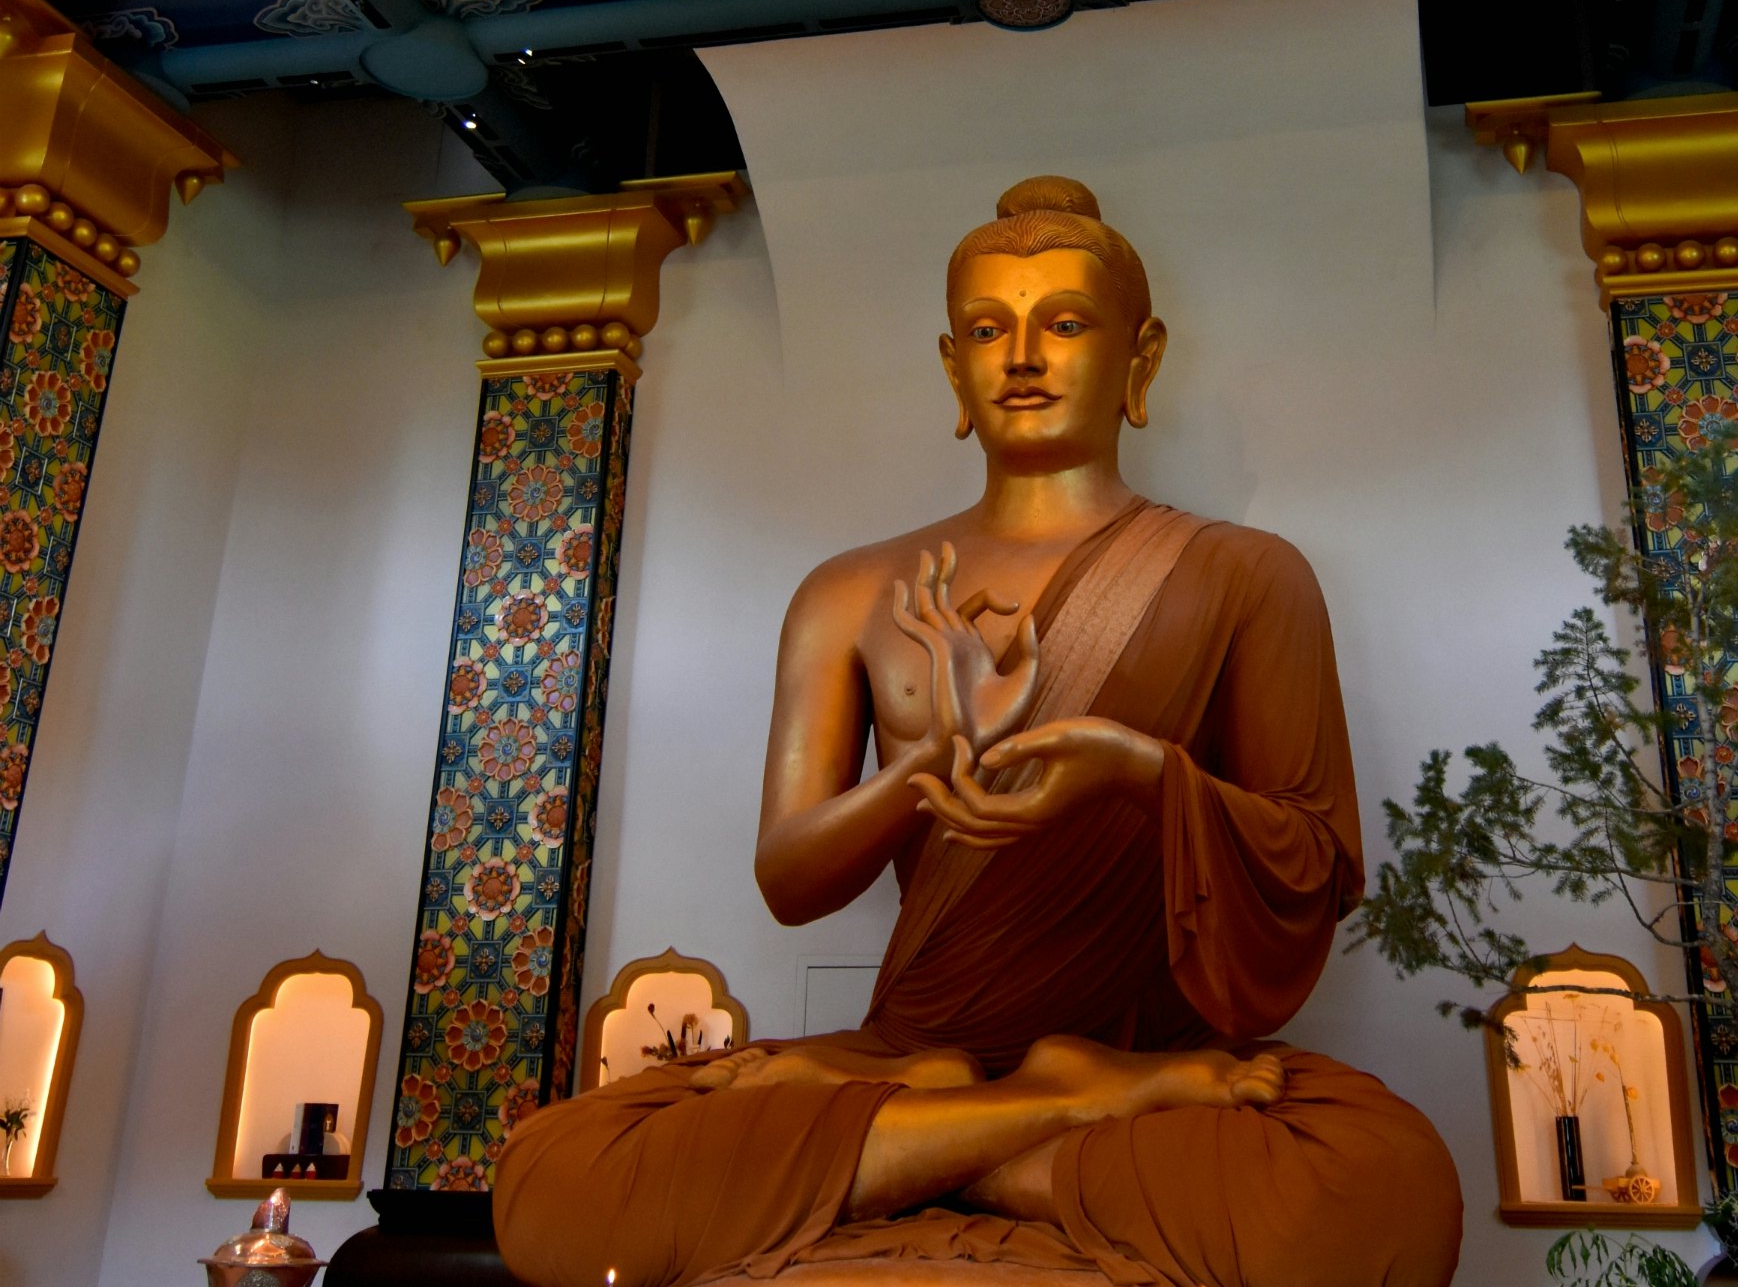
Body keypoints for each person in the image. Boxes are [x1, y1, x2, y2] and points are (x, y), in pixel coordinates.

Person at [494, 177, 1461, 1287]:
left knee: (1381, 1193)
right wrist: (929, 765)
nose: (1022, 356)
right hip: (911, 1048)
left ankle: (947, 1141)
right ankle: (1049, 1110)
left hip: (1143, 1046)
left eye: (1062, 323)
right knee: (557, 1174)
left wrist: (1134, 768)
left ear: (1138, 359)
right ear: (951, 365)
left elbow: (1314, 862)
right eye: (986, 329)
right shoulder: (849, 591)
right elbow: (791, 876)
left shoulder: (1245, 575)